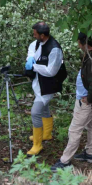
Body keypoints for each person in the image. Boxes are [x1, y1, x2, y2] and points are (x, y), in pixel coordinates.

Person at [51, 32, 92, 171]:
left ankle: (65, 161)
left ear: (84, 44)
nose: (78, 45)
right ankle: (89, 154)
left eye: (79, 43)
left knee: (74, 130)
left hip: (86, 101)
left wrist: (90, 99)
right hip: (91, 99)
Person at [24, 22, 67, 156]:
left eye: (35, 34)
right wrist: (30, 58)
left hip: (49, 85)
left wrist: (34, 66)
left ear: (42, 35)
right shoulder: (37, 42)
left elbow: (51, 71)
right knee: (45, 108)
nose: (33, 35)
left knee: (35, 112)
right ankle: (47, 134)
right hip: (39, 83)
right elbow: (31, 49)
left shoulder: (54, 49)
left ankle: (37, 145)